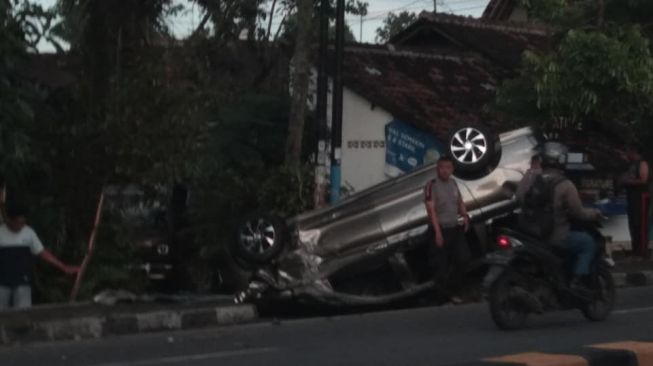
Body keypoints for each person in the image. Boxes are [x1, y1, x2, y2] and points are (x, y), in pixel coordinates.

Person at [517, 142, 602, 290]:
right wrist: (595, 214)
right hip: (555, 237)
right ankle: (578, 281)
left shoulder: (530, 178)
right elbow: (578, 212)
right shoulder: (565, 184)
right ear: (561, 162)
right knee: (588, 242)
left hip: (529, 234)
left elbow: (518, 198)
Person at [0, 202, 79, 309]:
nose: (20, 226)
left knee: (24, 314)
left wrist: (64, 267)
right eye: (17, 223)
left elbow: (42, 253)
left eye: (23, 223)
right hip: (2, 283)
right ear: (9, 220)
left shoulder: (29, 232)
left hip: (23, 282)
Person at [424, 156, 471, 303]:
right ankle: (442, 298)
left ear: (452, 169)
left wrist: (465, 215)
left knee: (463, 259)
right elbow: (431, 210)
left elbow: (460, 201)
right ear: (437, 169)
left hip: (454, 228)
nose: (445, 170)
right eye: (442, 167)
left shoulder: (453, 183)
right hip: (439, 229)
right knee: (440, 267)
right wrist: (437, 233)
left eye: (448, 167)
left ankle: (454, 291)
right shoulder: (431, 185)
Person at [620, 146, 651, 259]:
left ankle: (643, 252)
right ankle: (636, 250)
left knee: (641, 224)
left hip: (641, 196)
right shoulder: (630, 164)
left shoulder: (642, 163)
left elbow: (643, 179)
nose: (627, 154)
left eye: (628, 151)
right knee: (633, 224)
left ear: (634, 152)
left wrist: (628, 181)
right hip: (632, 197)